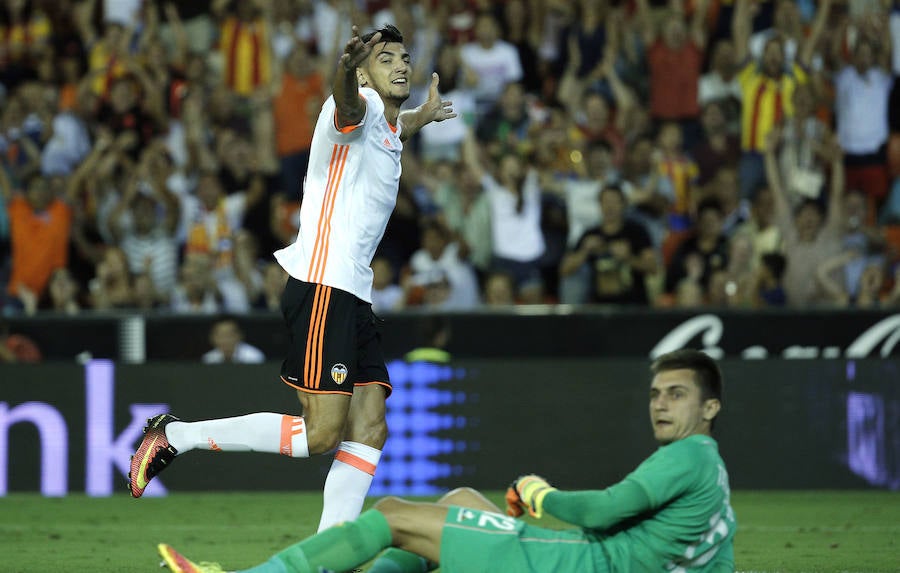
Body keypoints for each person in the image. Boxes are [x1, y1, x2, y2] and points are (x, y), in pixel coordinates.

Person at [129, 23, 457, 533]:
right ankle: (177, 436)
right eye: (386, 58)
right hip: (325, 285)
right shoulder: (356, 108)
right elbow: (350, 105)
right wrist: (346, 71)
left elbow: (394, 129)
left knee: (369, 429)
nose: (401, 65)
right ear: (366, 74)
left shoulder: (389, 125)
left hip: (353, 293)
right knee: (320, 434)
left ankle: (330, 552)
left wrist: (423, 116)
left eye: (404, 57)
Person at [157, 348, 736, 573]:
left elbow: (606, 510)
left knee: (393, 515)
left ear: (710, 406)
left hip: (563, 566)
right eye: (658, 393)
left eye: (677, 395)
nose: (661, 404)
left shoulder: (686, 457)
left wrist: (539, 494)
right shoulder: (709, 469)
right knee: (458, 500)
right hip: (579, 563)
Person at [201, 317, 265, 364]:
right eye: (221, 336)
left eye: (229, 335)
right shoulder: (208, 359)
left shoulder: (253, 357)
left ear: (240, 336)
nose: (225, 340)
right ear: (212, 338)